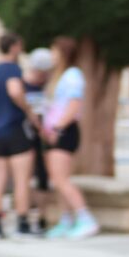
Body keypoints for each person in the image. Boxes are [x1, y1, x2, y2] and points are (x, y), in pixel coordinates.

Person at [35, 38, 99, 238]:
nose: (51, 55)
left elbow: (73, 105)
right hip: (54, 131)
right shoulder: (58, 76)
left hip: (64, 131)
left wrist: (58, 128)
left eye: (54, 51)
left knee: (61, 179)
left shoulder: (72, 75)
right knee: (56, 180)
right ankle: (66, 220)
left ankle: (85, 218)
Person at [0, 34, 36, 240]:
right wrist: (28, 109)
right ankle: (22, 224)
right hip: (15, 128)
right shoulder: (12, 69)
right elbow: (15, 91)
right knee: (21, 180)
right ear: (13, 47)